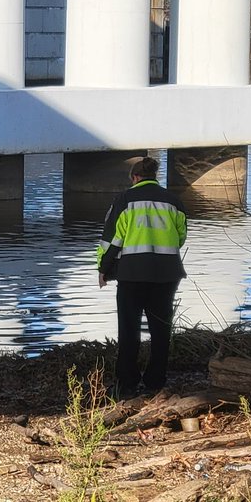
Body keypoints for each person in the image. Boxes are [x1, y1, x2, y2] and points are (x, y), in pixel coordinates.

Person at [96, 157, 188, 400]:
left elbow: (111, 240)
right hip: (167, 274)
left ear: (134, 178)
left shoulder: (124, 200)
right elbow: (180, 236)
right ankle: (155, 381)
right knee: (160, 330)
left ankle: (127, 383)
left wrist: (103, 268)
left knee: (129, 329)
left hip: (132, 274)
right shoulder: (173, 201)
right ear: (154, 177)